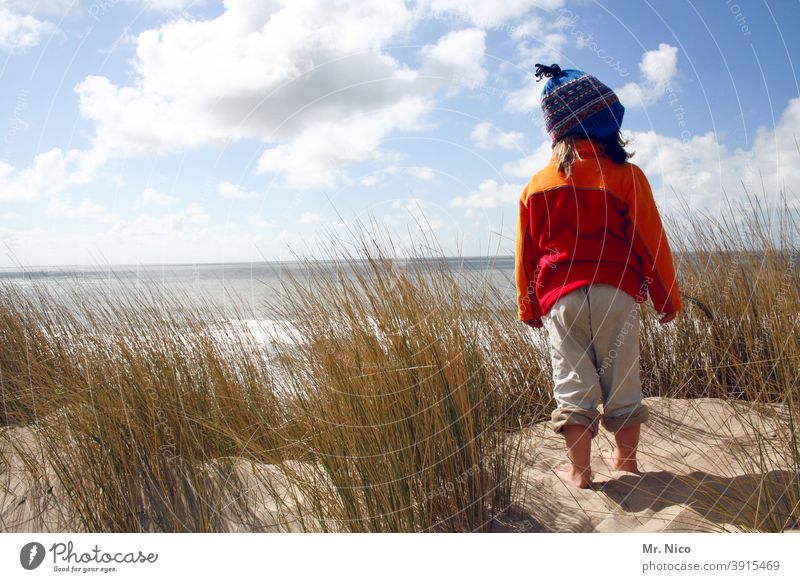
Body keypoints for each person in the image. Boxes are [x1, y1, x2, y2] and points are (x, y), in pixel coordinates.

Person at [514, 63, 681, 489]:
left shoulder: (536, 185)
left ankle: (579, 472)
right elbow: (651, 242)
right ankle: (625, 462)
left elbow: (527, 255)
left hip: (561, 300)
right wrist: (666, 298)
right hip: (618, 294)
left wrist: (528, 305)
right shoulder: (626, 177)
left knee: (573, 384)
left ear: (557, 132)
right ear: (608, 125)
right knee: (623, 378)